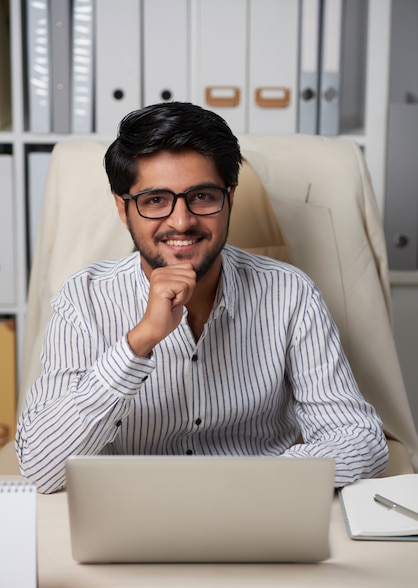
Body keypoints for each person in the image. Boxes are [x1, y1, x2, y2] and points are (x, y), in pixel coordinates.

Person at [16, 102, 388, 493]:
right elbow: (42, 468)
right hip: (132, 513)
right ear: (123, 209)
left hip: (259, 507)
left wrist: (260, 480)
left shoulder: (290, 293)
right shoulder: (84, 299)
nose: (182, 221)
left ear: (230, 198)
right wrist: (138, 343)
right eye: (156, 200)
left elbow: (361, 439)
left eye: (203, 196)